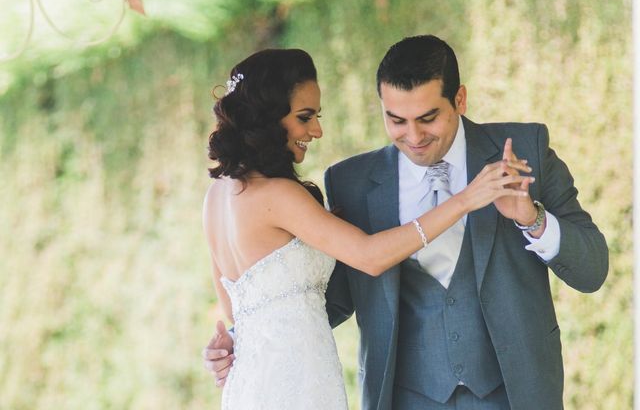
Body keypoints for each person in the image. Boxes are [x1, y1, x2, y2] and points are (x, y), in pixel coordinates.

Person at [206, 37, 609, 409]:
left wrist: (532, 218)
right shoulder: (350, 182)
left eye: (428, 117)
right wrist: (244, 342)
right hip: (405, 398)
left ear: (460, 99)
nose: (413, 136)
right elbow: (331, 295)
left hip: (515, 393)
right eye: (396, 120)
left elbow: (592, 270)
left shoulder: (526, 149)